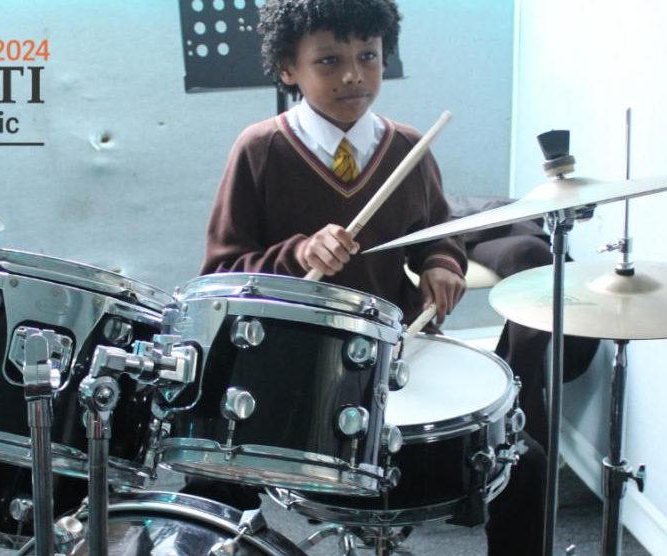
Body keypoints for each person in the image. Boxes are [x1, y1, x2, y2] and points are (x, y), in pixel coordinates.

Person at [195, 1, 544, 554]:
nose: (354, 75)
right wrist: (298, 253)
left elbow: (439, 229)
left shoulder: (408, 146)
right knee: (209, 483)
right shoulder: (260, 150)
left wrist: (441, 263)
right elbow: (220, 274)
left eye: (368, 56)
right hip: (291, 366)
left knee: (524, 462)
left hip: (395, 354)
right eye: (329, 60)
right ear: (289, 67)